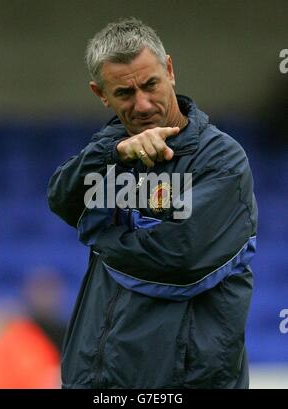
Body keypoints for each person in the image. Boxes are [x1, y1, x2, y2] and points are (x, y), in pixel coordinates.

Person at [48, 17, 258, 389]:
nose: (143, 104)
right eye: (125, 94)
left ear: (170, 71)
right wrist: (112, 155)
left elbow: (177, 260)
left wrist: (99, 228)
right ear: (101, 94)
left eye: (150, 85)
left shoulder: (222, 159)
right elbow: (62, 199)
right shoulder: (111, 148)